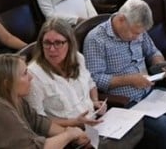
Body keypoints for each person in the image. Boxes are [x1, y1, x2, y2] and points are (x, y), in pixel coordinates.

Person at [83, 0, 166, 148]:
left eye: (141, 33)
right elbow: (95, 79)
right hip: (124, 101)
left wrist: (159, 63)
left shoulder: (138, 28)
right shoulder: (96, 39)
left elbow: (153, 51)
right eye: (134, 33)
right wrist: (130, 80)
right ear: (121, 19)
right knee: (164, 127)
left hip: (149, 92)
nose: (138, 37)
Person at [26, 18, 145, 149]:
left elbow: (90, 83)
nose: (52, 49)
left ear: (70, 43)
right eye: (47, 43)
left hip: (94, 122)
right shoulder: (33, 75)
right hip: (69, 134)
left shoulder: (77, 58)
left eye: (58, 43)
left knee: (137, 126)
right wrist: (74, 123)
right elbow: (38, 121)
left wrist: (95, 101)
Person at [0, 53, 89, 149]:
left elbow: (40, 123)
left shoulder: (14, 97)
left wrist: (75, 135)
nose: (31, 77)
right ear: (7, 84)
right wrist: (69, 135)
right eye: (24, 74)